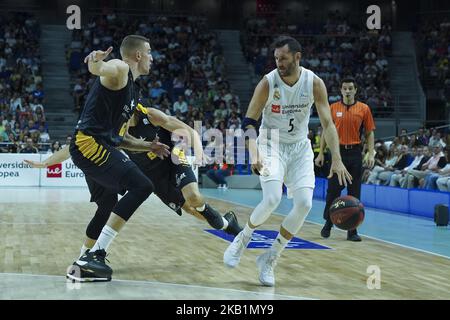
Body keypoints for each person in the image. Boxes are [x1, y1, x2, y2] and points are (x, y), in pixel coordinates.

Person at [25, 102, 242, 259]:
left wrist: (200, 150)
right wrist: (46, 163)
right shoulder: (112, 129)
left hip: (173, 158)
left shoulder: (150, 115)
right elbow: (72, 149)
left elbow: (188, 129)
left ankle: (217, 217)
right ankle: (225, 223)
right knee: (191, 210)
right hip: (153, 177)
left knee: (193, 196)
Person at [223, 36, 352, 287]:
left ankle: (271, 257)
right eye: (276, 58)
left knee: (304, 204)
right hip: (270, 143)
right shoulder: (267, 83)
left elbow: (327, 123)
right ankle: (243, 237)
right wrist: (254, 152)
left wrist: (337, 158)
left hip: (300, 147)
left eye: (283, 58)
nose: (278, 62)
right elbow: (249, 121)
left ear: (297, 57)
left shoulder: (314, 83)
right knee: (272, 198)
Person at [65, 35, 170, 282]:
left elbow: (119, 139)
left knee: (108, 205)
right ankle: (95, 255)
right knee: (142, 185)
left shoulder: (133, 91)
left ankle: (82, 264)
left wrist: (148, 146)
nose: (153, 58)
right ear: (138, 55)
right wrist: (95, 62)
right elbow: (102, 68)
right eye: (150, 52)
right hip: (88, 144)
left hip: (99, 144)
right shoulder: (121, 69)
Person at [315, 77, 375, 242]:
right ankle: (328, 223)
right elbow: (326, 131)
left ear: (355, 90)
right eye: (345, 88)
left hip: (355, 154)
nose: (347, 91)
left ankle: (352, 231)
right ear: (341, 90)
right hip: (336, 154)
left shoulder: (364, 109)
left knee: (354, 193)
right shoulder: (332, 108)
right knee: (333, 191)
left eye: (350, 88)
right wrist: (321, 153)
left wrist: (371, 153)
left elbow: (369, 133)